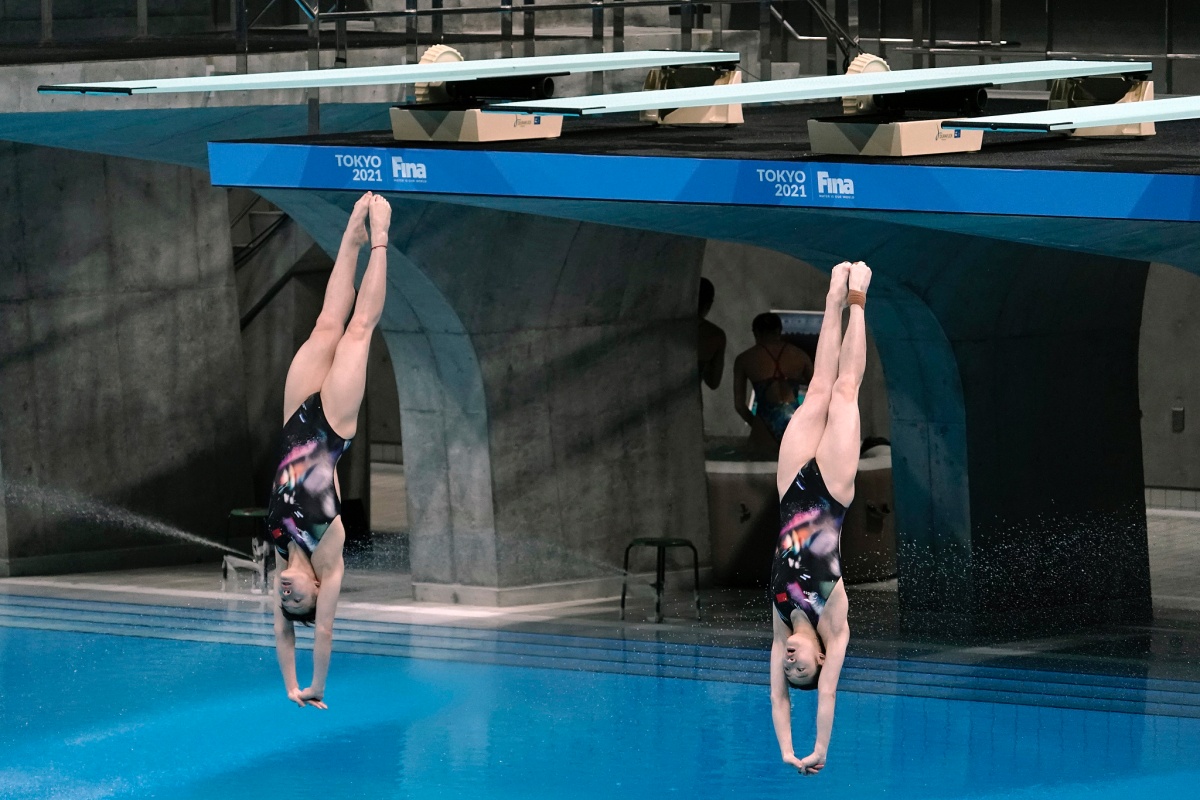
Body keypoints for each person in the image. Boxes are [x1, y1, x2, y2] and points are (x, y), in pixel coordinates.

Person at [268, 191, 391, 709]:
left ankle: (349, 237)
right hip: (332, 428)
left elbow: (281, 636)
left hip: (294, 417)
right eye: (299, 603)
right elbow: (320, 633)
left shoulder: (279, 548)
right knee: (357, 331)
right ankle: (381, 237)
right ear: (317, 592)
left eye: (284, 602)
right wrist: (314, 687)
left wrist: (288, 686)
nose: (286, 598)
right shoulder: (329, 557)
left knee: (324, 324)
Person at [769, 261, 870, 776]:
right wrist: (818, 750)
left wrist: (786, 750)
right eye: (800, 668)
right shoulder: (835, 625)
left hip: (790, 491)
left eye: (789, 669)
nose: (790, 663)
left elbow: (780, 702)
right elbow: (824, 699)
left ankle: (831, 296)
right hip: (830, 492)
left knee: (817, 387)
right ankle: (857, 297)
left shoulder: (781, 618)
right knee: (846, 390)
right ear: (822, 663)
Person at [732, 312, 813, 455]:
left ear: (756, 332)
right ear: (779, 331)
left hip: (763, 426)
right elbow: (821, 394)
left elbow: (739, 405)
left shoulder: (744, 359)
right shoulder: (800, 355)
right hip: (794, 422)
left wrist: (756, 424)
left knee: (761, 472)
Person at [697, 277, 727, 390]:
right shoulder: (715, 336)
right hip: (688, 403)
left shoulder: (664, 327)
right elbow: (713, 382)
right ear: (708, 304)